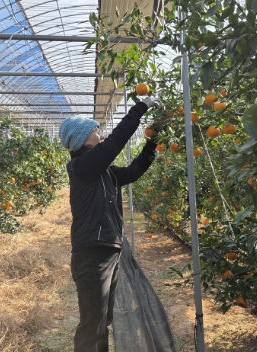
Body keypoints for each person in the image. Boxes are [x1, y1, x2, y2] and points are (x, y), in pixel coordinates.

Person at [58, 95, 162, 352]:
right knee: (92, 324)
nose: (101, 134)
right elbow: (115, 142)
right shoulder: (82, 167)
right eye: (96, 131)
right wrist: (140, 108)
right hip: (93, 253)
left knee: (102, 319)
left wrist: (153, 140)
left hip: (107, 249)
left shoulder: (103, 171)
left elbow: (133, 172)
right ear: (82, 139)